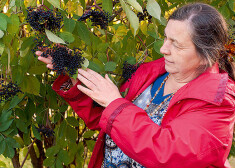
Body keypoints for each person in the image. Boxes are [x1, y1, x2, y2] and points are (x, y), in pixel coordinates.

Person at [36, 2, 235, 168]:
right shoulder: (150, 73)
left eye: (177, 44)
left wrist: (115, 103)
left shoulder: (217, 101)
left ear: (206, 54)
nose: (164, 49)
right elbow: (107, 119)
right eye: (166, 37)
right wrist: (74, 74)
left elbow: (166, 153)